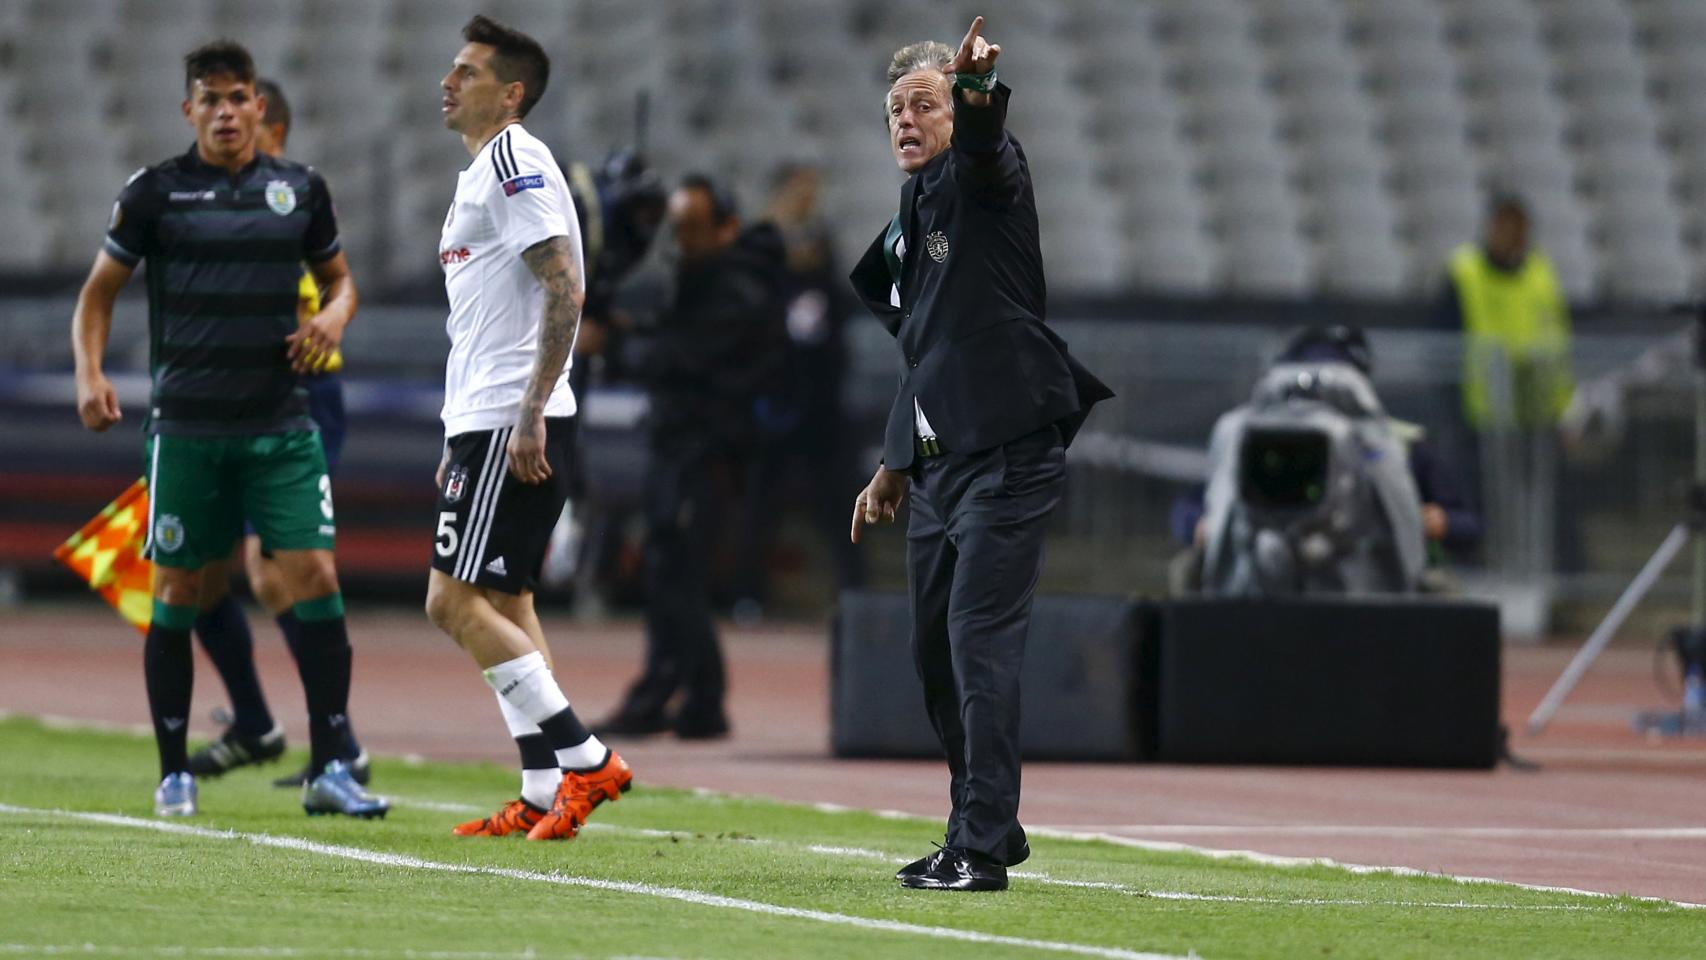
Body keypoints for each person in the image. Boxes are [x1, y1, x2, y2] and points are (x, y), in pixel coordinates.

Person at [71, 40, 385, 819]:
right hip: (186, 429)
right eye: (209, 99)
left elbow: (343, 282)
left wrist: (335, 319)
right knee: (180, 588)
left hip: (281, 426)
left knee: (314, 576)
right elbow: (98, 292)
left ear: (258, 107)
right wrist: (90, 372)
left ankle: (331, 764)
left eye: (237, 97)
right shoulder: (154, 193)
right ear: (189, 111)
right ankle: (174, 770)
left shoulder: (301, 190)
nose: (225, 111)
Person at [848, 17, 1112, 891]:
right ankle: (984, 817)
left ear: (956, 115)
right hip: (940, 462)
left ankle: (982, 844)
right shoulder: (910, 214)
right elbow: (928, 351)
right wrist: (894, 463)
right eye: (895, 110)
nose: (906, 121)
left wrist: (974, 92)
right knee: (934, 648)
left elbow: (992, 150)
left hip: (1007, 453)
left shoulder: (982, 174)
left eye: (923, 104)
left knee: (977, 640)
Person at [425, 15, 631, 841]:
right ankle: (547, 788)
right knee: (507, 597)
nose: (448, 81)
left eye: (466, 71)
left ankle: (587, 759)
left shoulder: (513, 159)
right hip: (490, 416)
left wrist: (530, 410)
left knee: (449, 602)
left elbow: (565, 286)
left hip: (514, 419)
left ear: (510, 93)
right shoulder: (481, 172)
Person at [185, 76, 371, 789]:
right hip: (221, 404)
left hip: (299, 400)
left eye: (240, 117)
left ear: (274, 128)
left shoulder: (292, 203)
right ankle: (258, 723)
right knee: (198, 571)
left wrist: (321, 319)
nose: (223, 131)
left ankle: (340, 743)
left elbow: (334, 288)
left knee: (276, 564)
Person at [596, 174, 789, 739]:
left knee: (673, 571)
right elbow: (672, 338)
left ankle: (677, 696)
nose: (679, 240)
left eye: (692, 228)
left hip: (706, 450)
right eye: (675, 229)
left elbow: (683, 354)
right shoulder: (707, 281)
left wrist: (619, 344)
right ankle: (697, 701)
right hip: (684, 445)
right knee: (670, 570)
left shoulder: (735, 288)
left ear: (726, 228)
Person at [731, 162, 866, 617]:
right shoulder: (759, 248)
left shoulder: (822, 246)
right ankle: (748, 591)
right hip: (773, 394)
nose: (810, 200)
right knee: (761, 500)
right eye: (802, 191)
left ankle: (854, 589)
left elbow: (834, 311)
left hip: (820, 397)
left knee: (838, 498)